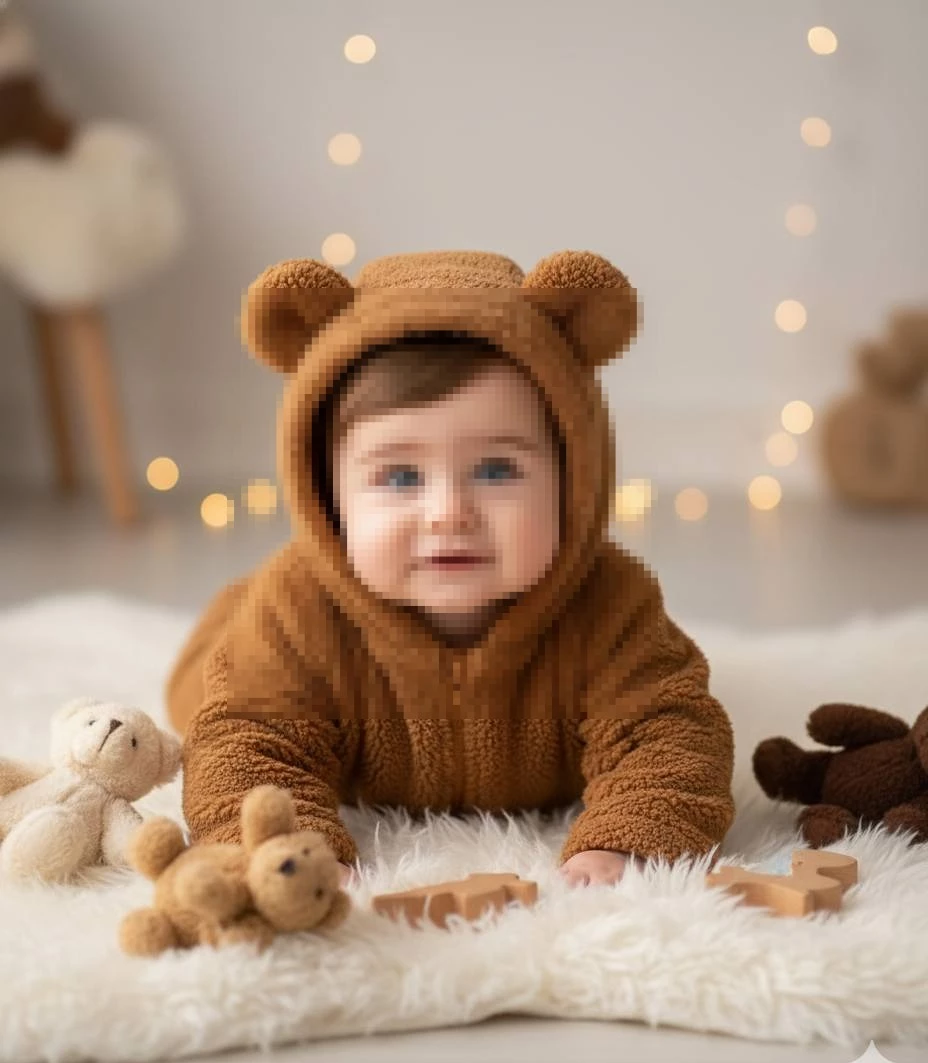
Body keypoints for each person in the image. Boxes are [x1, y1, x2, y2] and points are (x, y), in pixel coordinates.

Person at [166, 249, 735, 891]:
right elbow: (246, 750)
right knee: (209, 699)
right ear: (327, 499)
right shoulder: (294, 612)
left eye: (496, 470)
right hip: (261, 647)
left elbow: (673, 736)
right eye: (400, 476)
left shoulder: (612, 603)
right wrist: (293, 853)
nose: (449, 514)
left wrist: (632, 839)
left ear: (573, 481)